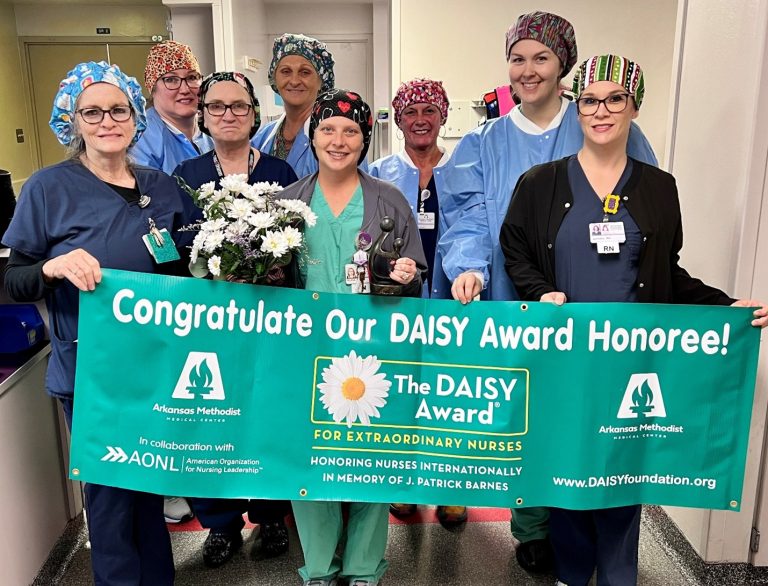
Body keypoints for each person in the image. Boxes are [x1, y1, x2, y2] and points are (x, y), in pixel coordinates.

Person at [500, 54, 768, 586]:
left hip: (630, 364)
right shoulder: (540, 183)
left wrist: (724, 305)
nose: (601, 110)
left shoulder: (658, 188)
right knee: (568, 473)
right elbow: (516, 249)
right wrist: (540, 292)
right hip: (566, 360)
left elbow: (666, 271)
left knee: (622, 475)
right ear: (578, 107)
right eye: (590, 100)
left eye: (614, 99)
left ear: (633, 106)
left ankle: (621, 575)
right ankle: (571, 574)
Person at [437, 11, 658, 573]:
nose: (528, 70)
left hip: (592, 306)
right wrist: (468, 266)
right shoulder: (482, 144)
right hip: (512, 297)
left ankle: (580, 529)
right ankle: (533, 523)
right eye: (517, 58)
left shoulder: (602, 127)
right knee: (524, 411)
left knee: (584, 416)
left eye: (541, 57)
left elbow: (644, 212)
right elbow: (467, 215)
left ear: (565, 65)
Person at [2, 60, 195, 586]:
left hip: (156, 367)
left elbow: (188, 271)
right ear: (72, 119)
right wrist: (52, 266)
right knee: (110, 498)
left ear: (136, 118)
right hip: (92, 372)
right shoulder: (48, 188)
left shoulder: (163, 186)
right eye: (92, 111)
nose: (107, 120)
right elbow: (12, 280)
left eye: (118, 110)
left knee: (150, 486)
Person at [280, 88, 427, 586]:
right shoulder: (288, 204)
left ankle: (365, 568)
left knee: (371, 460)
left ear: (365, 140)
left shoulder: (389, 199)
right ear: (311, 135)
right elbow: (267, 285)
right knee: (311, 459)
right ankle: (319, 568)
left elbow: (416, 272)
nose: (338, 140)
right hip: (306, 355)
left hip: (375, 356)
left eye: (351, 132)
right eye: (327, 129)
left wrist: (408, 272)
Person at [173, 71, 298, 568]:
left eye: (239, 106)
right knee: (210, 422)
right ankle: (220, 523)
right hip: (207, 324)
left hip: (268, 323)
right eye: (218, 106)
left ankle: (270, 515)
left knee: (267, 415)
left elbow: (295, 246)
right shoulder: (183, 175)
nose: (229, 114)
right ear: (202, 115)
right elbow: (177, 246)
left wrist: (269, 272)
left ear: (254, 114)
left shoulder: (280, 173)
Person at [368, 78, 466, 528]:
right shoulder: (380, 172)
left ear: (443, 116)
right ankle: (403, 485)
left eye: (430, 110)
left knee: (448, 395)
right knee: (401, 394)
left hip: (452, 299)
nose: (420, 119)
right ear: (399, 120)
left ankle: (449, 488)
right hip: (396, 303)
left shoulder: (463, 169)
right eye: (411, 112)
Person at [251, 33, 336, 178]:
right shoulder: (262, 137)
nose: (294, 81)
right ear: (274, 77)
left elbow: (356, 196)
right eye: (286, 71)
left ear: (321, 81)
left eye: (305, 72)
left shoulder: (336, 137)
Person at [131, 40, 213, 175]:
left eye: (192, 77)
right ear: (153, 88)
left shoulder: (212, 128)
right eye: (171, 80)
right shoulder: (142, 139)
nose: (185, 89)